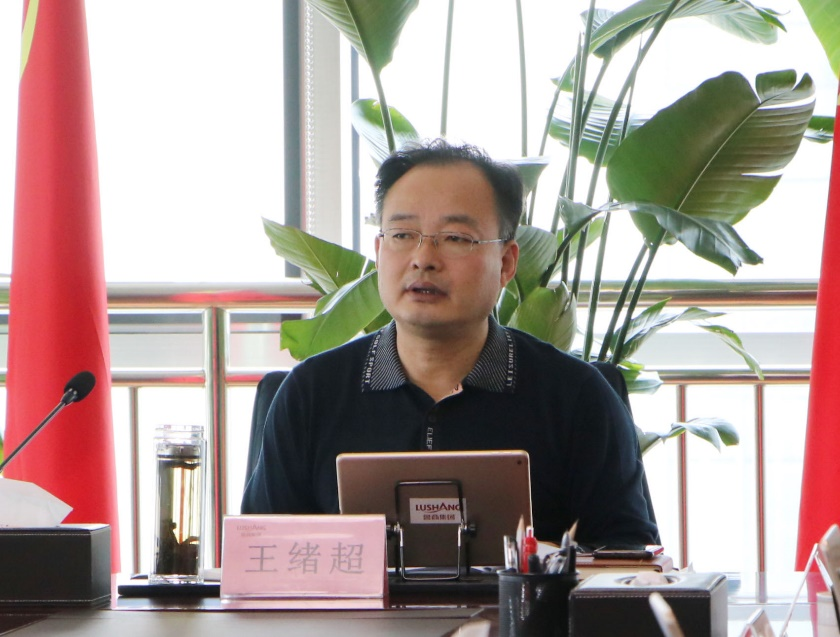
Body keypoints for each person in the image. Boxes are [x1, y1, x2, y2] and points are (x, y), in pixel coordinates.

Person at [242, 139, 659, 548]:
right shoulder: (312, 394)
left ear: (506, 262)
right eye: (402, 234)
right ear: (379, 250)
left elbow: (629, 559)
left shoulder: (576, 397)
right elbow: (261, 557)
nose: (424, 258)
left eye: (456, 238)